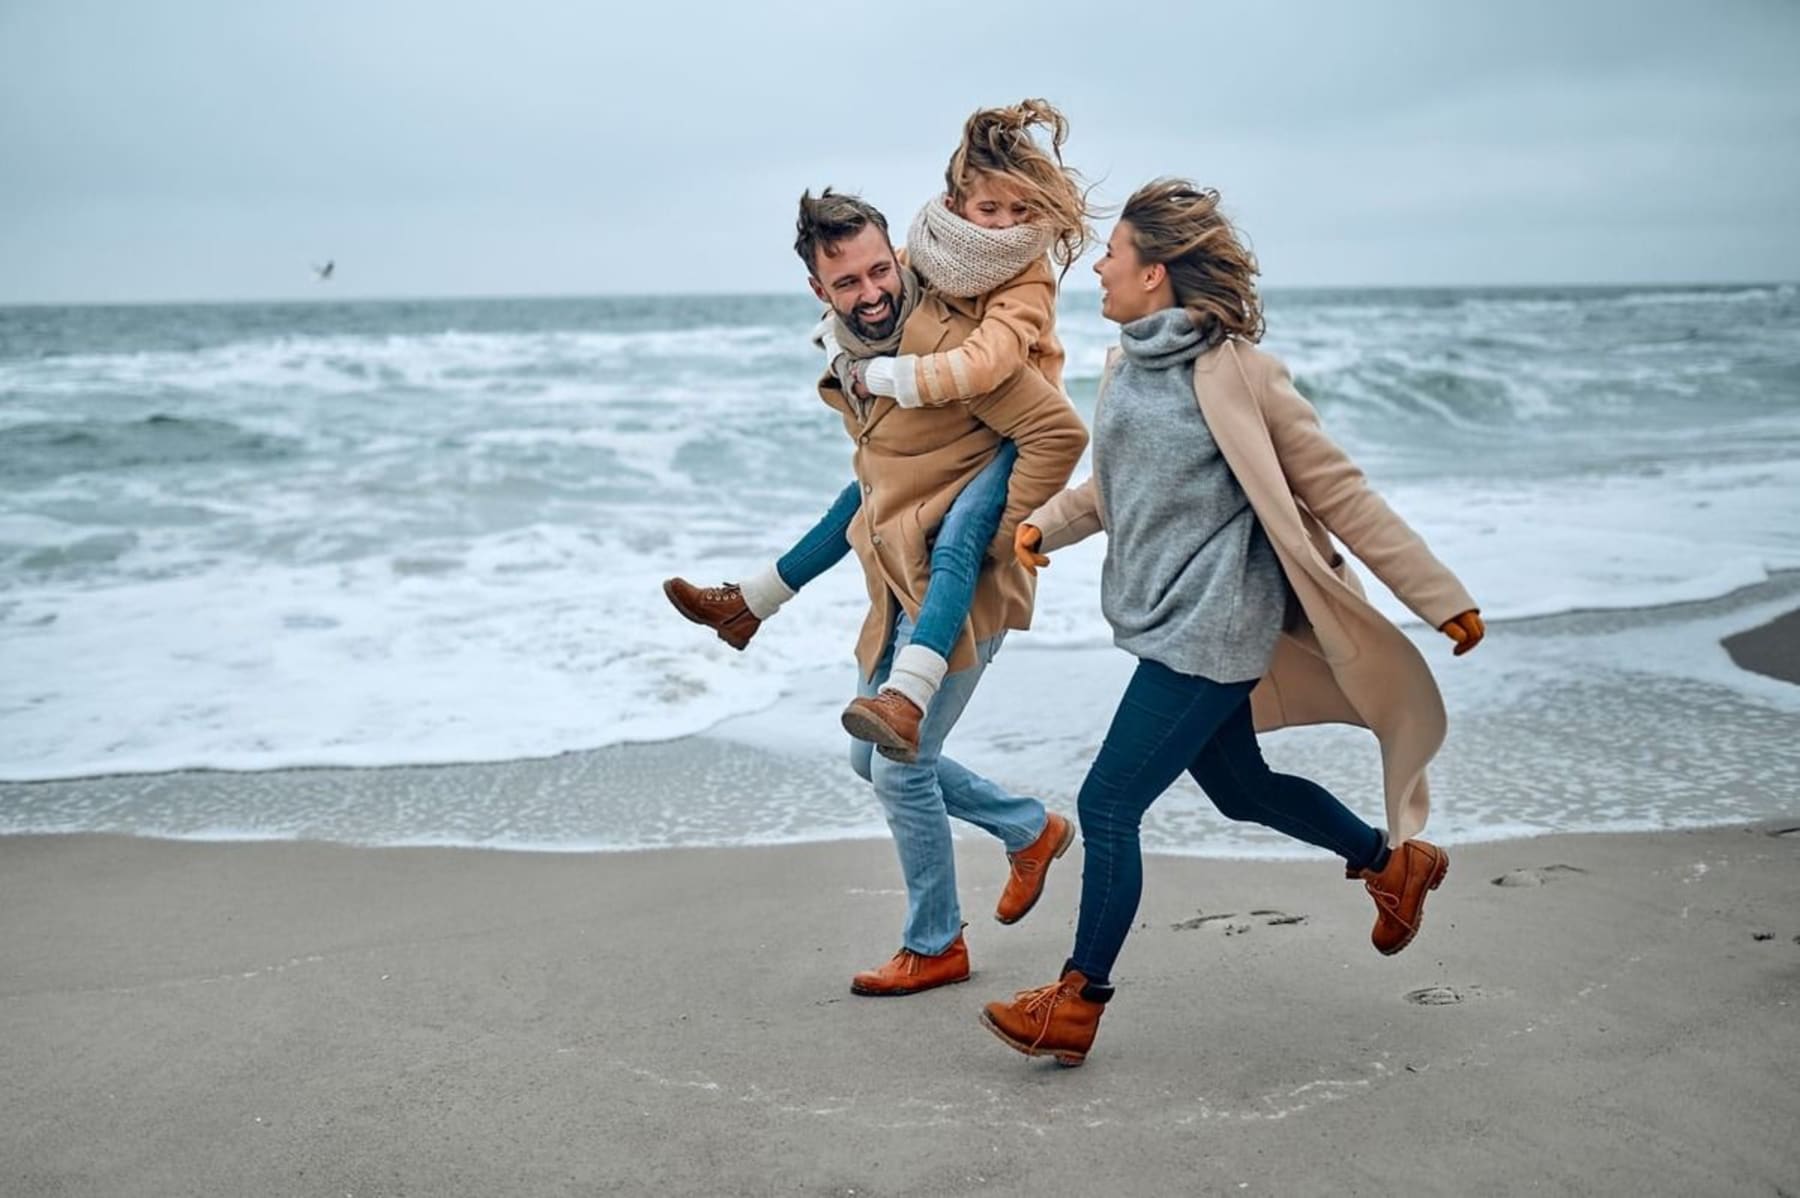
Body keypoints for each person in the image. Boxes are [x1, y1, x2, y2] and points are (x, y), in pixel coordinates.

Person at [979, 180, 1486, 1065]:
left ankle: (1077, 1001)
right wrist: (1045, 523)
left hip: (1218, 624)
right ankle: (1391, 865)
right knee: (1241, 789)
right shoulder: (1129, 363)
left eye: (1113, 253)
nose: (1098, 265)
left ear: (1156, 272)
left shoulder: (1239, 372)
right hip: (1163, 613)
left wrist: (1437, 595)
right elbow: (1123, 484)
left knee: (1106, 805)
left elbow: (1337, 487)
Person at [675, 188, 1090, 996]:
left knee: (902, 768)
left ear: (898, 256)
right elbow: (872, 486)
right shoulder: (850, 356)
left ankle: (936, 944)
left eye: (879, 271)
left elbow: (1059, 433)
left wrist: (993, 541)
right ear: (818, 291)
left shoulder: (951, 347)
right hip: (899, 585)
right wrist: (770, 587)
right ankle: (1027, 829)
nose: (871, 294)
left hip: (959, 590)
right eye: (847, 283)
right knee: (870, 759)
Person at [664, 99, 1092, 763]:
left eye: (1019, 211)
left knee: (959, 539)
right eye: (991, 210)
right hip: (958, 410)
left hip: (1009, 429)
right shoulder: (929, 249)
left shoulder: (1025, 270)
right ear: (956, 204)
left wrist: (884, 376)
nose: (1007, 225)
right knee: (862, 495)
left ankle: (909, 694)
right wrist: (843, 352)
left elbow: (993, 363)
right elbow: (881, 295)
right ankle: (752, 601)